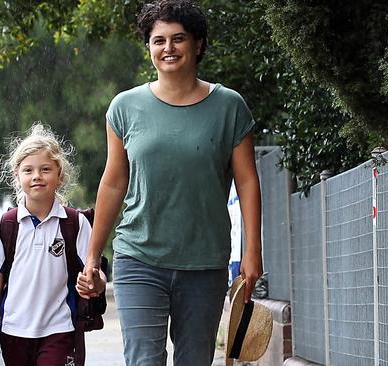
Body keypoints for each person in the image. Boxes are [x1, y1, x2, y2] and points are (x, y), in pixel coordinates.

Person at [79, 1, 263, 365]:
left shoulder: (229, 106)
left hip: (204, 261)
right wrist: (92, 255)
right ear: (148, 47)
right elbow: (114, 183)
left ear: (198, 44)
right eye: (158, 40)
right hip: (139, 255)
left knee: (195, 360)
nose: (168, 48)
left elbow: (247, 182)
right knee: (144, 359)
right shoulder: (124, 107)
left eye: (178, 39)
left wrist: (252, 251)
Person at [0, 124, 106, 365]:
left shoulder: (74, 223)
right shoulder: (6, 225)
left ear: (60, 176)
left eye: (46, 169)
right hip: (13, 332)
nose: (37, 176)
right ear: (17, 177)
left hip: (60, 329)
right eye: (28, 170)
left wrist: (96, 283)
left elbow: (95, 272)